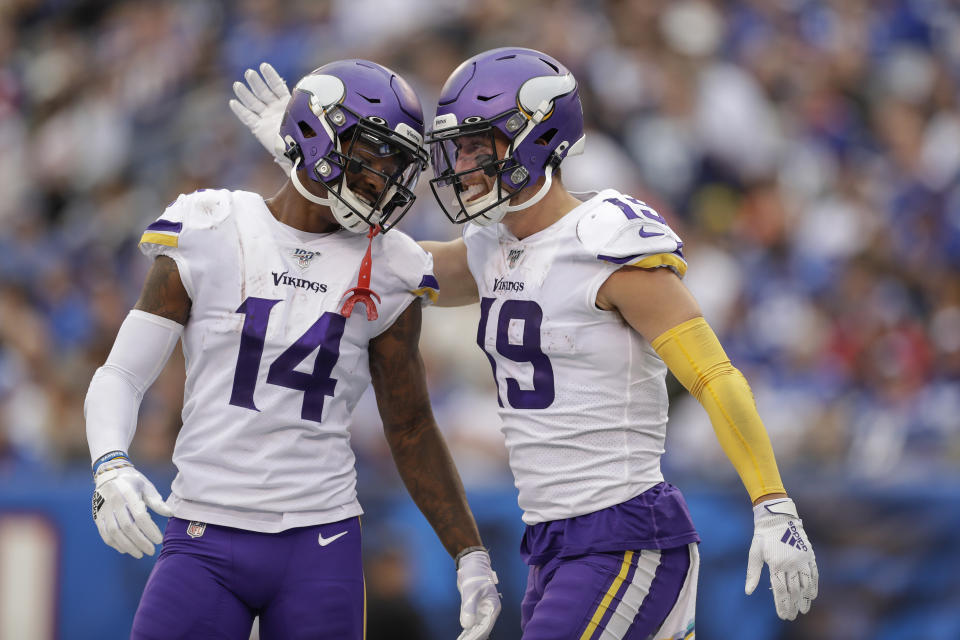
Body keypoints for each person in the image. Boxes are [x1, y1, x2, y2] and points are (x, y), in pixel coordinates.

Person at [233, 48, 819, 639]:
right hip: (549, 541)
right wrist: (313, 166)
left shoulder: (603, 243)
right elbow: (389, 265)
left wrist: (772, 502)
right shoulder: (490, 247)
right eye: (455, 147)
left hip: (624, 534)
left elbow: (712, 374)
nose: (460, 163)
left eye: (475, 145)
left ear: (537, 140)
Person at [85, 59, 500, 640]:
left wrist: (470, 553)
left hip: (320, 540)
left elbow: (410, 427)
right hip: (205, 527)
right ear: (317, 136)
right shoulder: (213, 226)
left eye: (395, 164)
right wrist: (109, 463)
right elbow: (122, 374)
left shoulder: (390, 264)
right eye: (372, 155)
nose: (384, 179)